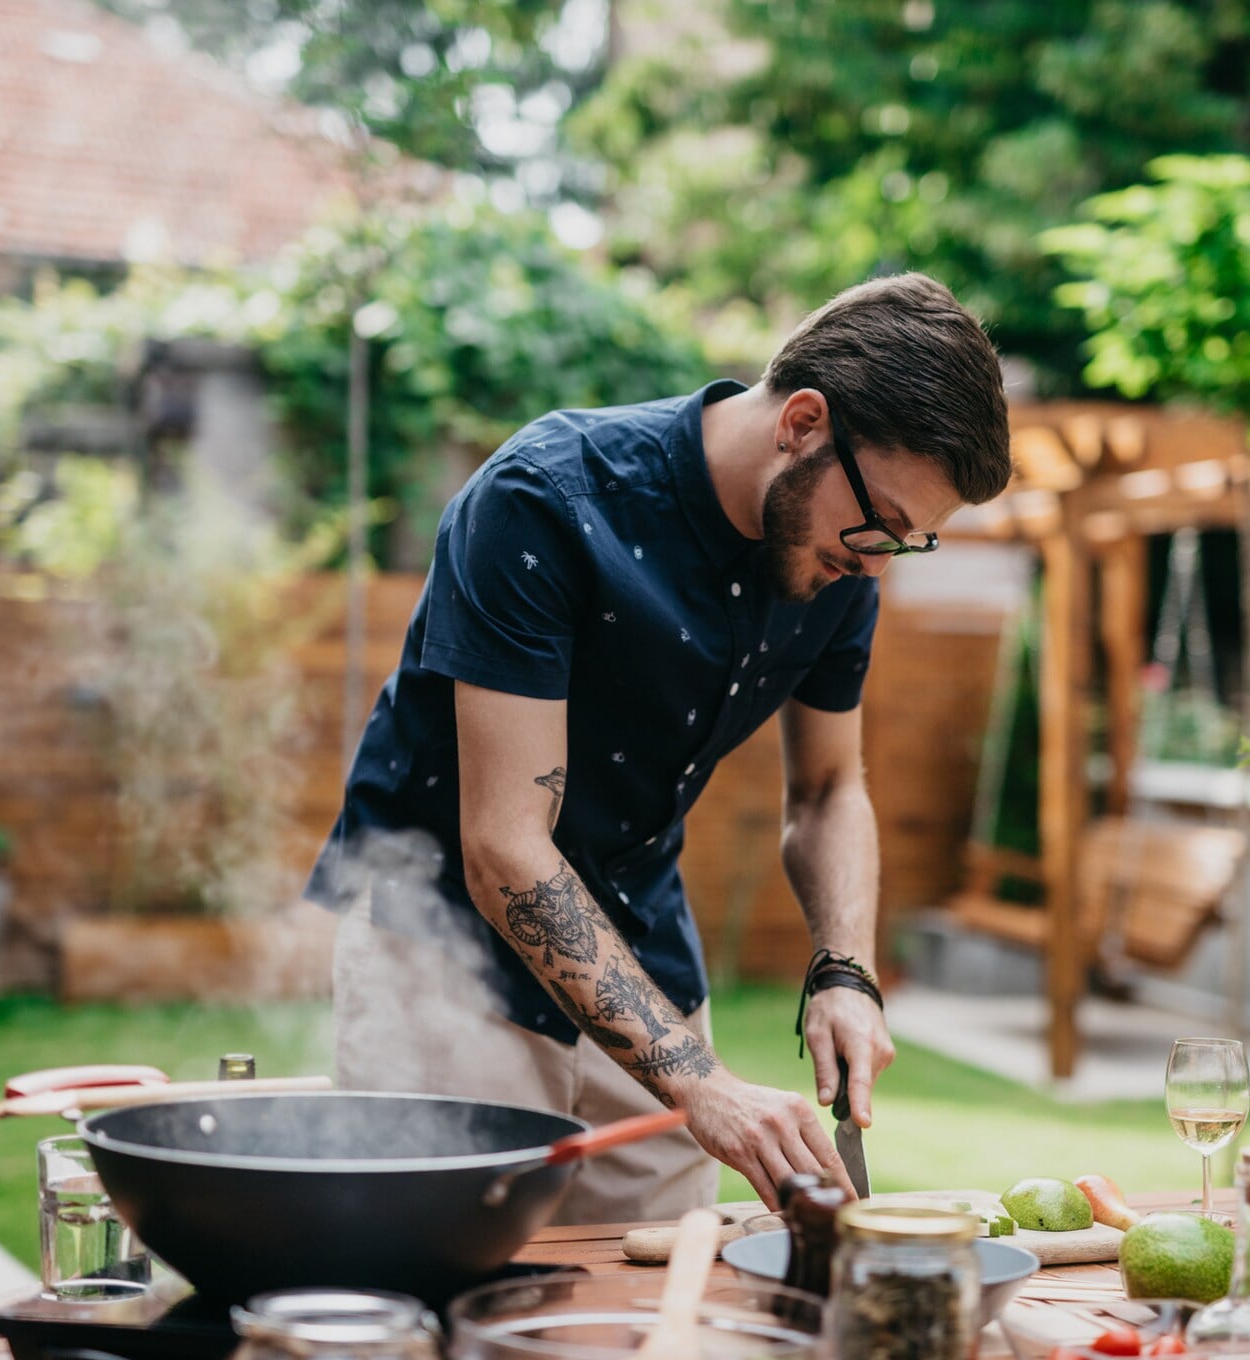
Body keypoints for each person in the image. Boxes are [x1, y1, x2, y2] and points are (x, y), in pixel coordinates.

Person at [306, 271, 1011, 1222]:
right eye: (881, 522)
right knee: (449, 1301)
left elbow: (832, 789)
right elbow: (505, 847)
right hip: (444, 958)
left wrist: (845, 968)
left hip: (641, 948)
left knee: (661, 1297)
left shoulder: (841, 562)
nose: (880, 560)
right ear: (802, 422)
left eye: (910, 541)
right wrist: (701, 1081)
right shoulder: (545, 499)